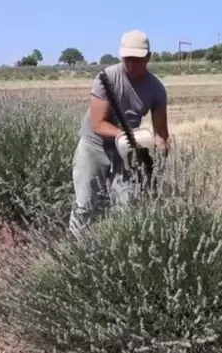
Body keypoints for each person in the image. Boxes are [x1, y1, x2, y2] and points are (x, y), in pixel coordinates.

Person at [68, 29, 170, 237]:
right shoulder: (106, 79)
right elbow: (98, 123)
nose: (131, 65)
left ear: (148, 58)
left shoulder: (156, 89)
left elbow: (161, 134)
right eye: (127, 58)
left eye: (137, 59)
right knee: (85, 205)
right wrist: (125, 136)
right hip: (94, 146)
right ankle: (76, 255)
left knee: (126, 207)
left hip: (127, 151)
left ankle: (118, 254)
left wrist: (158, 161)